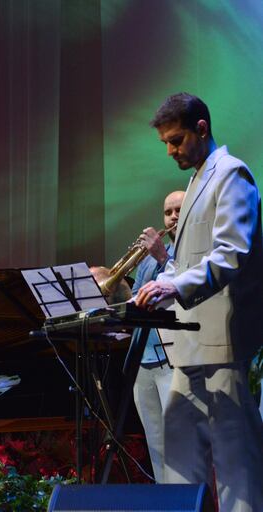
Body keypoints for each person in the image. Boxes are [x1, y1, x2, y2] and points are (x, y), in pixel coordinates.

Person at [135, 93, 263, 511]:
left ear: (201, 129)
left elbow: (231, 253)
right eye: (166, 144)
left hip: (222, 340)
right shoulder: (196, 179)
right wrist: (163, 281)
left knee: (234, 460)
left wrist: (175, 286)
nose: (170, 151)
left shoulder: (231, 173)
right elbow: (189, 260)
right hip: (189, 343)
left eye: (176, 141)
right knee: (177, 451)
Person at [129, 190, 183, 483]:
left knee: (179, 444)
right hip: (143, 357)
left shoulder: (189, 251)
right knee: (156, 445)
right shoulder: (146, 262)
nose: (172, 217)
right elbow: (135, 299)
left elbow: (182, 289)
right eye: (168, 212)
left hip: (172, 357)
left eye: (178, 210)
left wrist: (163, 256)